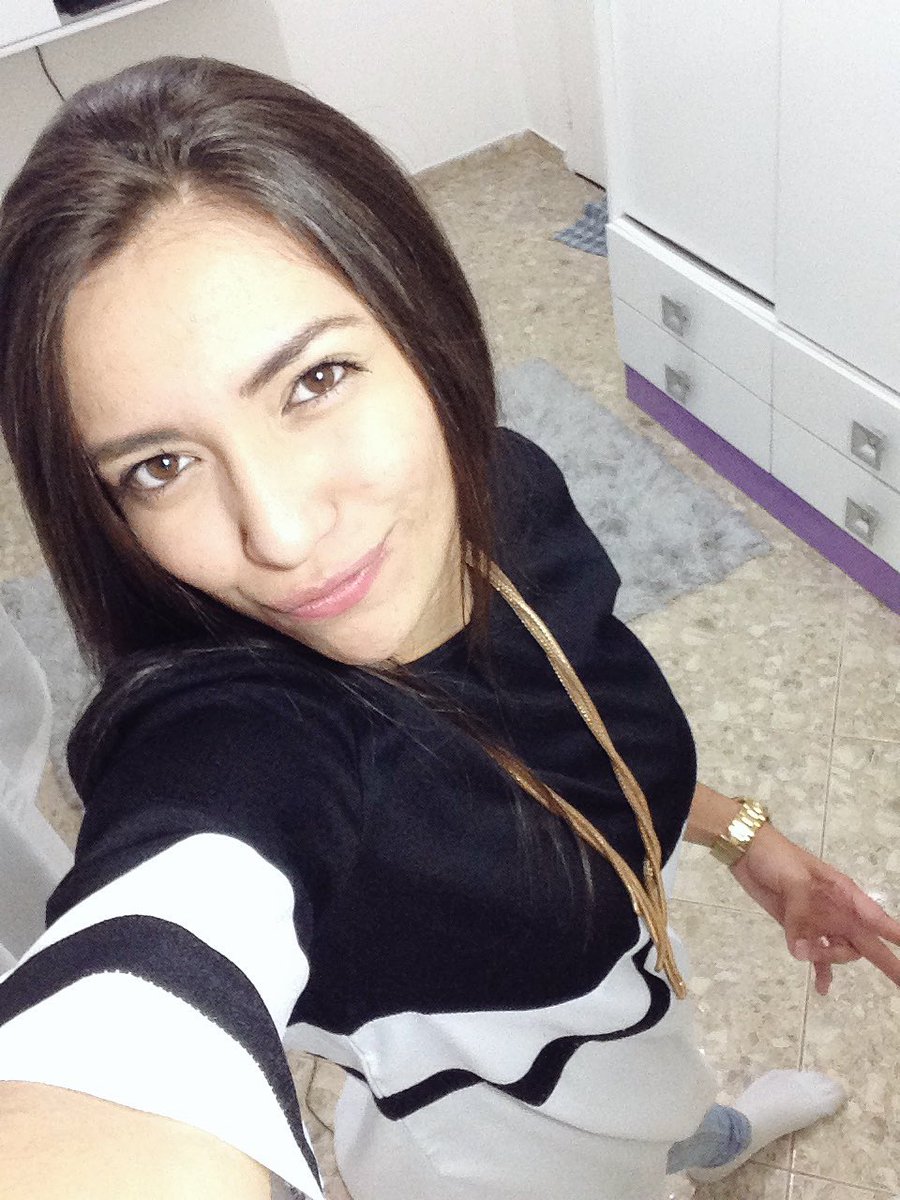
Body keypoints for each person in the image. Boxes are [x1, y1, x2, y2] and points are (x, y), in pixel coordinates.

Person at [0, 56, 898, 1200]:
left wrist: (744, 838)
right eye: (160, 466)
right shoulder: (238, 739)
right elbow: (146, 985)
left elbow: (560, 745)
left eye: (315, 380)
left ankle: (702, 1138)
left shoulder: (507, 493)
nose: (280, 533)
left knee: (668, 1106)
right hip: (497, 1157)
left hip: (629, 1022)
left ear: (422, 329)